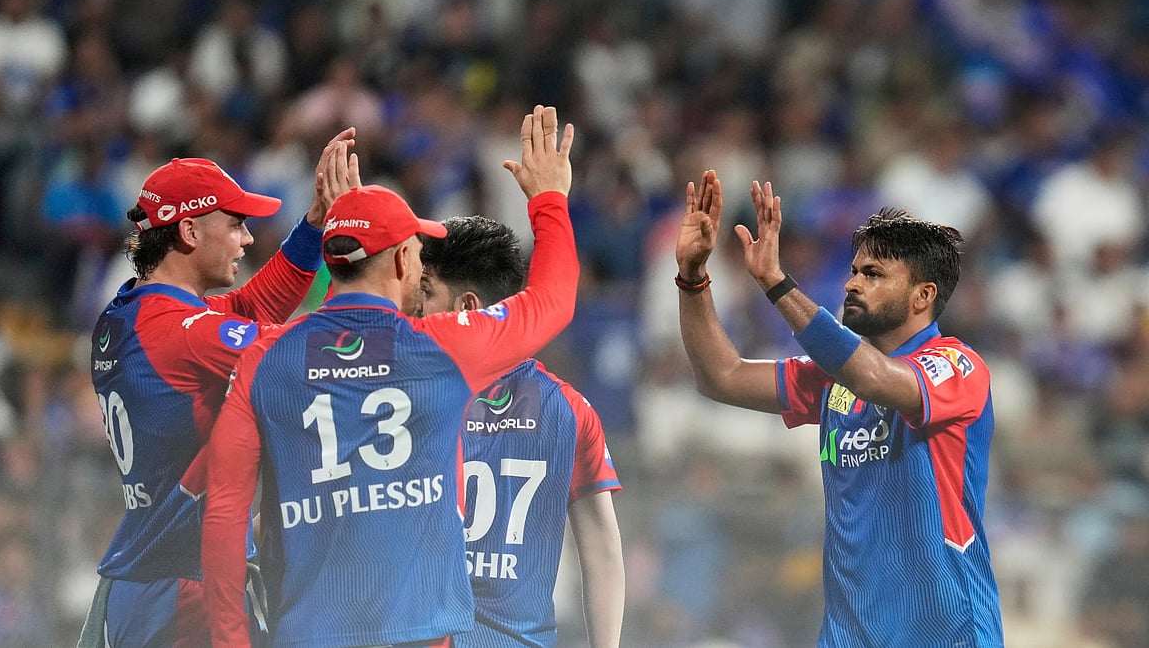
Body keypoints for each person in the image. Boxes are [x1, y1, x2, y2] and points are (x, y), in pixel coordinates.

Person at [202, 105, 579, 647]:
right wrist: (548, 199)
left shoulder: (264, 359)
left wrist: (230, 642)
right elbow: (553, 299)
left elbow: (224, 513)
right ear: (404, 261)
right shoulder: (442, 348)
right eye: (419, 252)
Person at [674, 171, 1003, 647]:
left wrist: (775, 282)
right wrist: (692, 277)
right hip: (850, 633)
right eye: (853, 271)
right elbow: (720, 376)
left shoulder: (957, 366)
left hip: (944, 630)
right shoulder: (832, 377)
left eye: (873, 275)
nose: (852, 284)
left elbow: (873, 377)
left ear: (923, 295)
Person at [80, 129, 359, 648]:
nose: (247, 239)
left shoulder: (134, 314)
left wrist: (316, 224)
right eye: (235, 224)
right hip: (184, 590)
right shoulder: (179, 333)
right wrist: (377, 302)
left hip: (145, 577)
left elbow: (251, 310)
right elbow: (291, 355)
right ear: (188, 230)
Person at [419, 215, 624, 648]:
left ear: (467, 309)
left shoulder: (411, 393)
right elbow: (602, 549)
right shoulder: (569, 409)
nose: (414, 310)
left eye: (425, 293)